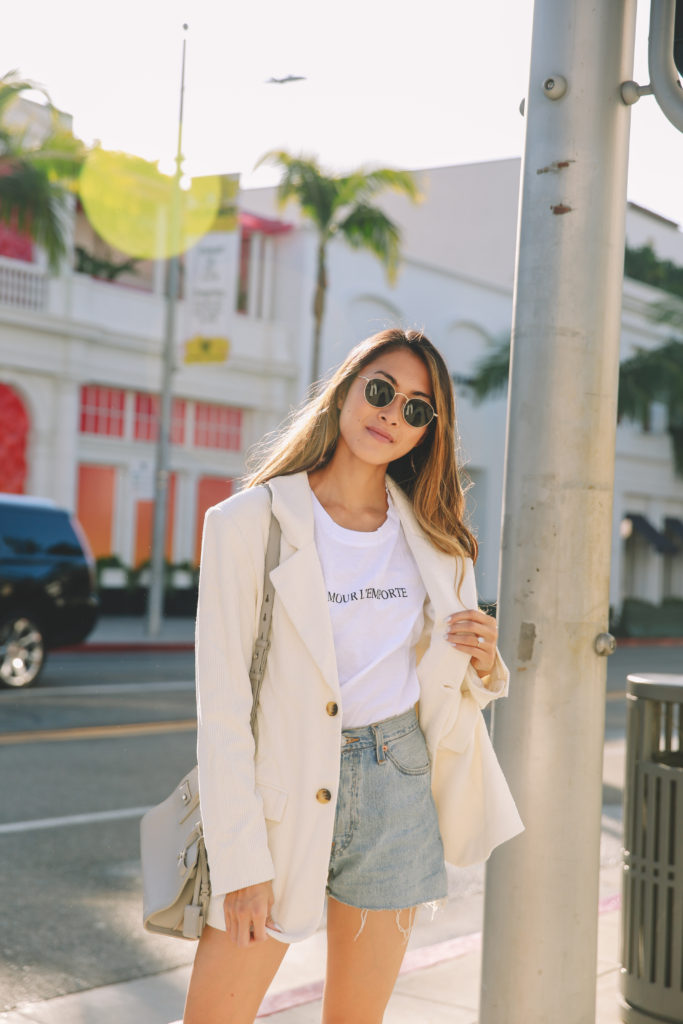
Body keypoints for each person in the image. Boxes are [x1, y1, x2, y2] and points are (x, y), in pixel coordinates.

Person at [183, 328, 522, 1024]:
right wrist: (240, 861)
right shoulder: (247, 523)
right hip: (279, 794)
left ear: (427, 433)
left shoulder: (438, 540)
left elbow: (445, 682)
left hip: (397, 789)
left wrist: (485, 664)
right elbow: (221, 711)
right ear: (343, 392)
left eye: (416, 409)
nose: (391, 413)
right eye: (379, 389)